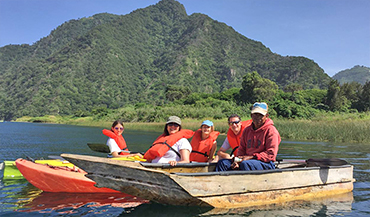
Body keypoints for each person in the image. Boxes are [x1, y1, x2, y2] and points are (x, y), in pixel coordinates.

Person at [216, 102, 281, 171]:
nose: (257, 117)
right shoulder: (247, 130)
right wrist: (237, 161)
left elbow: (271, 154)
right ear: (251, 115)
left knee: (245, 164)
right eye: (255, 114)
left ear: (266, 116)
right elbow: (241, 149)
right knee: (223, 163)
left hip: (265, 163)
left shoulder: (271, 131)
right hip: (246, 160)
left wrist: (251, 157)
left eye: (260, 115)